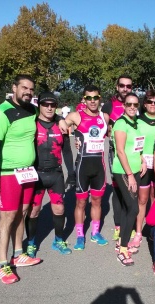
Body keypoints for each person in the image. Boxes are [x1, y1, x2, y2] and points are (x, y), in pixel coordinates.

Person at [0, 75, 43, 284]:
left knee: (23, 212)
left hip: (27, 172)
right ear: (14, 88)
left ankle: (18, 254)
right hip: (8, 173)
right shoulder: (2, 113)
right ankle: (2, 264)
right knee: (8, 216)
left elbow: (48, 119)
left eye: (31, 89)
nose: (28, 92)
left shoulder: (32, 110)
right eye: (24, 88)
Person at [25, 92, 75, 257]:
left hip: (56, 174)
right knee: (33, 211)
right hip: (36, 174)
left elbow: (67, 152)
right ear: (39, 105)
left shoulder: (61, 126)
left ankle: (58, 240)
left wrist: (71, 172)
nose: (49, 107)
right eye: (45, 104)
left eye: (52, 105)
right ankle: (31, 243)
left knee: (59, 209)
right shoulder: (32, 123)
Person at [65, 85, 109, 250]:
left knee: (97, 201)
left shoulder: (104, 117)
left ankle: (95, 233)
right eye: (88, 98)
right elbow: (59, 123)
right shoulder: (76, 116)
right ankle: (79, 235)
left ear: (99, 98)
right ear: (84, 99)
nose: (92, 101)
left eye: (95, 98)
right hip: (83, 165)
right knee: (81, 202)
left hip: (99, 166)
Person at [112, 93, 147, 266]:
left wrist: (142, 160)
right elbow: (120, 150)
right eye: (129, 104)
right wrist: (130, 175)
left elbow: (137, 146)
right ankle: (123, 248)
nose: (132, 107)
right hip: (124, 172)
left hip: (135, 170)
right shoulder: (120, 123)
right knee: (133, 209)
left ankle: (121, 242)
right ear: (124, 106)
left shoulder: (136, 123)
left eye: (135, 104)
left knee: (128, 208)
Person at [133, 90, 155, 248]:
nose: (153, 105)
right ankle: (138, 232)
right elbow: (135, 143)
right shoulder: (137, 121)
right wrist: (140, 159)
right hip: (143, 163)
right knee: (142, 199)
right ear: (144, 104)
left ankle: (154, 230)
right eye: (150, 101)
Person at [102, 75, 133, 242]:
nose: (125, 89)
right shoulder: (109, 105)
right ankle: (118, 225)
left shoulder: (135, 104)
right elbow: (98, 125)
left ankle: (131, 224)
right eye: (122, 85)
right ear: (117, 87)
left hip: (133, 153)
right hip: (115, 152)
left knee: (131, 189)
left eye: (128, 86)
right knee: (117, 188)